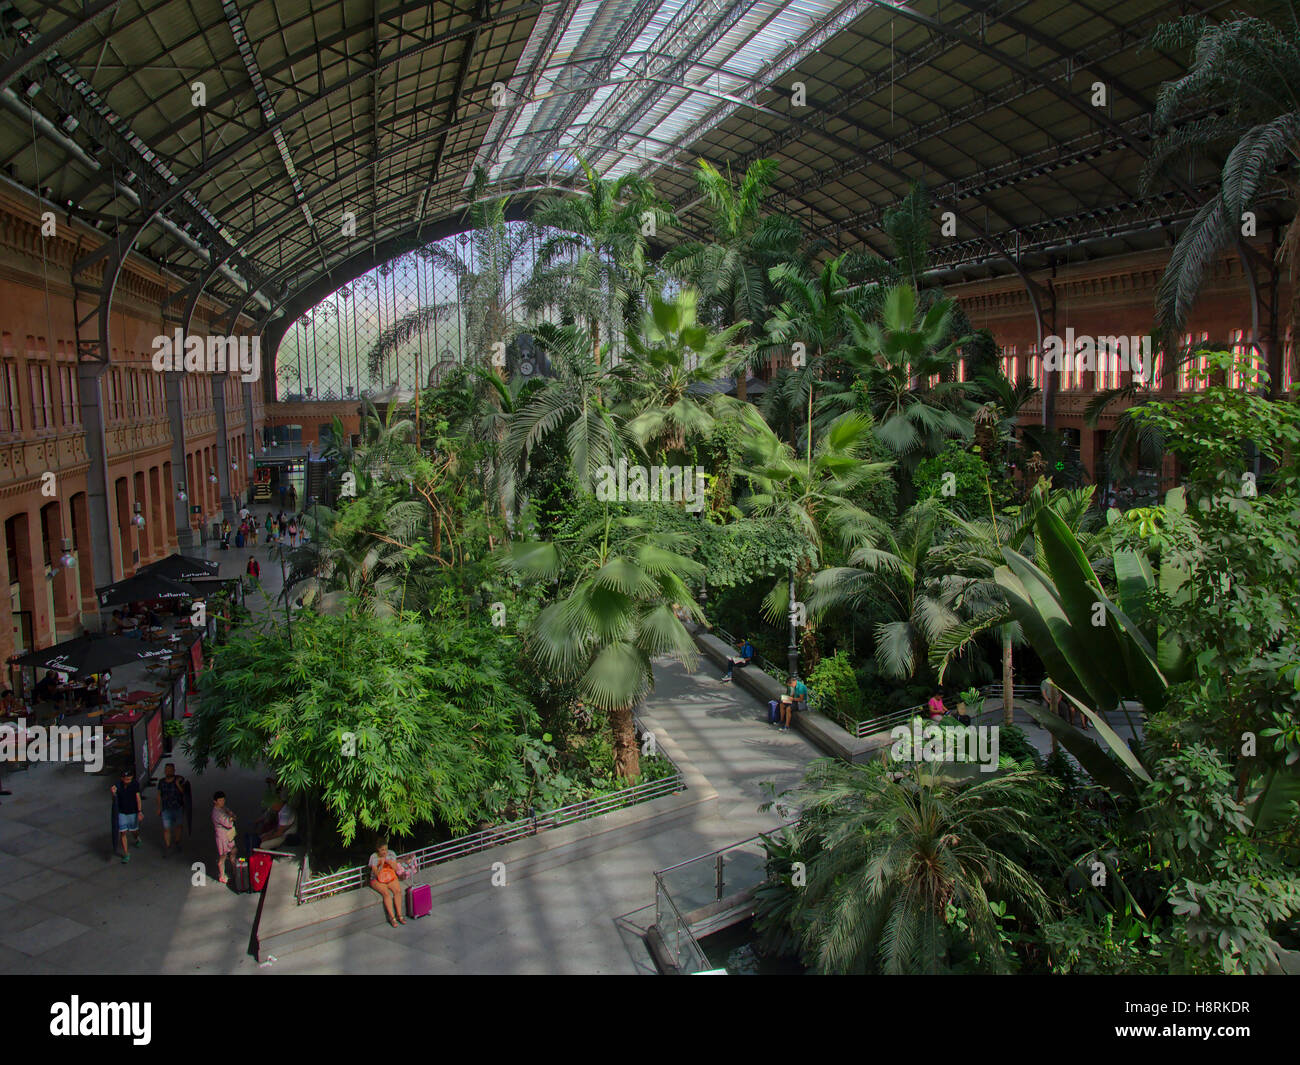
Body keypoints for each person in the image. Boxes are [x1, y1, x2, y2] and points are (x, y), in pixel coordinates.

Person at [368, 841, 408, 927]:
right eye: (382, 850)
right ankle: (392, 917)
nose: (384, 852)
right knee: (386, 894)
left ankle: (399, 915)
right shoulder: (373, 857)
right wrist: (381, 864)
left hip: (389, 875)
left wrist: (389, 861)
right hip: (377, 879)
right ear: (378, 849)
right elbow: (376, 874)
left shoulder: (391, 853)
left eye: (386, 849)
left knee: (397, 891)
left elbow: (395, 868)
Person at [111, 768, 144, 863]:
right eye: (126, 779)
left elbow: (138, 798)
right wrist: (113, 793)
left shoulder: (135, 784)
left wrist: (139, 811)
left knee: (134, 831)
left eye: (129, 779)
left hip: (132, 812)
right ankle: (126, 853)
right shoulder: (118, 785)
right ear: (122, 778)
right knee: (123, 832)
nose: (127, 781)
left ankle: (137, 838)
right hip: (122, 812)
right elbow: (114, 799)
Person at [156, 763, 187, 854]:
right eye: (166, 770)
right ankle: (168, 845)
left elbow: (184, 792)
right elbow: (159, 795)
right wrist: (159, 807)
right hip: (166, 808)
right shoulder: (161, 782)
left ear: (174, 770)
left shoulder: (179, 779)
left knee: (179, 826)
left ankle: (177, 842)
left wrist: (178, 784)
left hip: (178, 807)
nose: (168, 771)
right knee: (166, 828)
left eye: (170, 770)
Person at [211, 791, 239, 885]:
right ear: (215, 801)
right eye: (220, 800)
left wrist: (232, 816)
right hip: (222, 836)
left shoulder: (223, 808)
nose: (222, 802)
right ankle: (222, 876)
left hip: (229, 834)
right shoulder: (216, 813)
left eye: (223, 800)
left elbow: (232, 815)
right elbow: (228, 821)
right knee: (223, 856)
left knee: (234, 851)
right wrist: (232, 817)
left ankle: (235, 871)